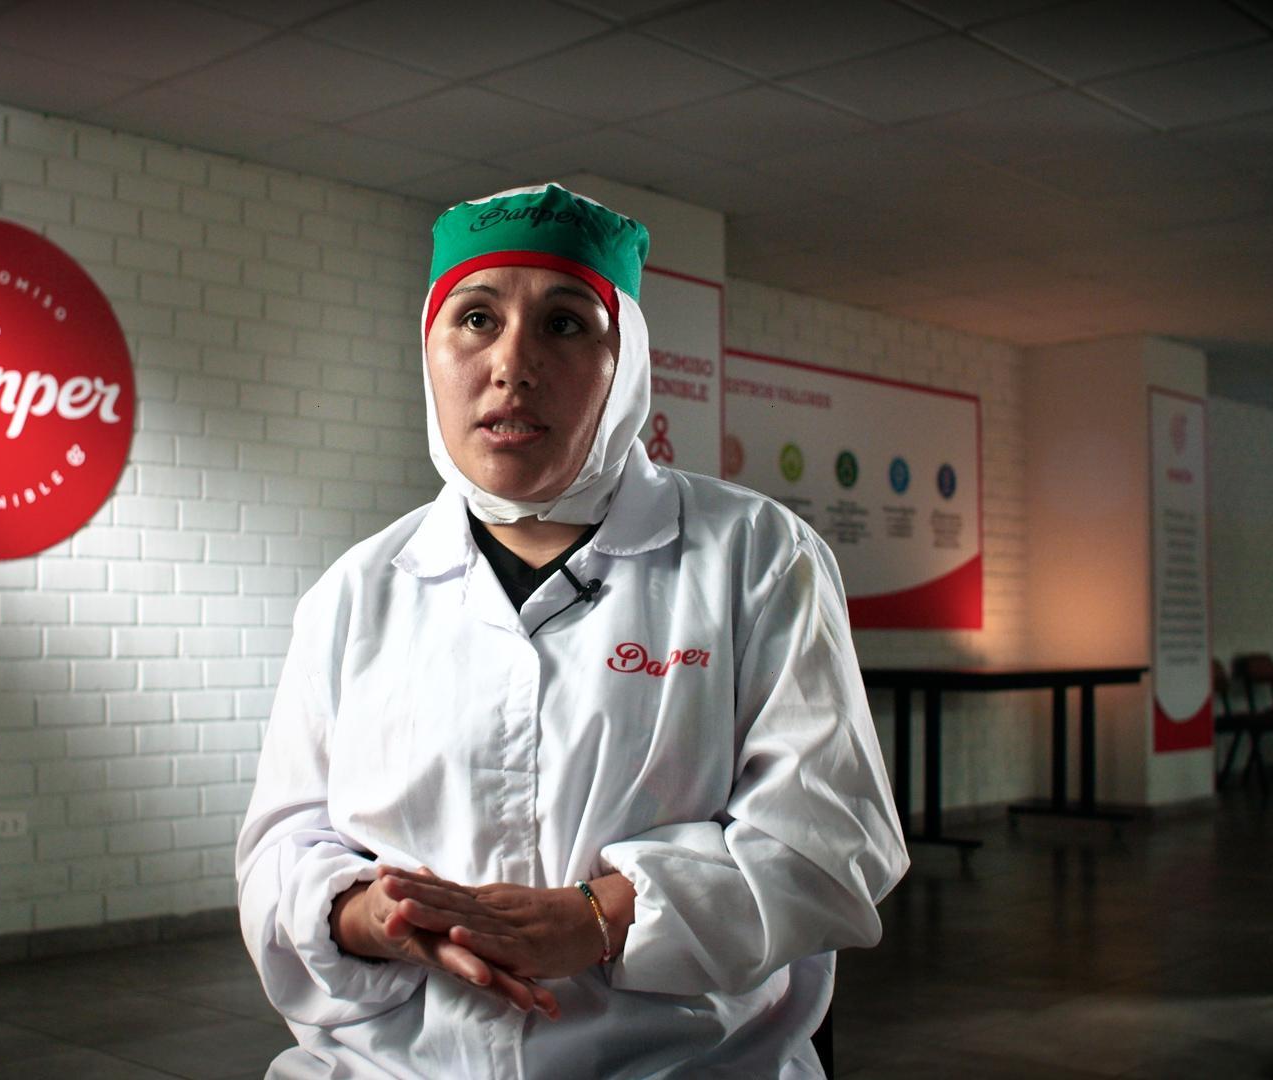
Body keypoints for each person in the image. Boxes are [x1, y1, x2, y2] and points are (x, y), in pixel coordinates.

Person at [236, 183, 907, 1078]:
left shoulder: (755, 556)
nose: (513, 364)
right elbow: (282, 849)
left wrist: (600, 918)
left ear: (623, 362)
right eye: (476, 319)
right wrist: (372, 914)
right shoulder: (356, 593)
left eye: (563, 324)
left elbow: (829, 844)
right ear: (430, 351)